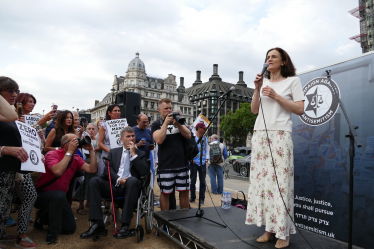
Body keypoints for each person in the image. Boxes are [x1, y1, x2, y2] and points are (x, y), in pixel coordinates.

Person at [246, 47, 304, 248]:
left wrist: (277, 95)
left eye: (273, 57)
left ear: (283, 61)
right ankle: (269, 229)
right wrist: (257, 88)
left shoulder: (293, 81)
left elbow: (300, 109)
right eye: (267, 57)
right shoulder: (264, 83)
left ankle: (284, 233)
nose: (269, 59)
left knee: (280, 185)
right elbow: (254, 110)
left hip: (280, 135)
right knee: (264, 186)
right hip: (260, 135)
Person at [80, 126, 148, 240]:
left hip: (131, 188)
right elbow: (108, 170)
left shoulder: (140, 154)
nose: (131, 139)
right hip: (114, 185)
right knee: (94, 181)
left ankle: (125, 225)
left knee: (131, 180)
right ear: (121, 139)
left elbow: (144, 172)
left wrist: (133, 155)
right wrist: (118, 179)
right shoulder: (114, 152)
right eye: (128, 136)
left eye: (133, 136)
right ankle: (97, 224)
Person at [34, 133, 97, 244]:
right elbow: (57, 171)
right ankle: (52, 232)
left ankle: (42, 217)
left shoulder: (76, 158)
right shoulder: (52, 154)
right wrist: (69, 153)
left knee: (69, 229)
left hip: (60, 198)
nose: (77, 142)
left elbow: (92, 169)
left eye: (78, 140)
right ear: (64, 144)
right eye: (74, 141)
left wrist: (91, 151)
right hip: (42, 196)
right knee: (59, 195)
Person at [0, 77, 31, 249]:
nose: (14, 95)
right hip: (2, 166)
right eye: (9, 91)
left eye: (16, 91)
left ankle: (1, 232)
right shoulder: (11, 113)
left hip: (9, 168)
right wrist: (5, 149)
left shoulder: (10, 115)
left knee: (4, 204)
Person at [151, 98, 191, 211]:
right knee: (165, 193)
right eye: (166, 108)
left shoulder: (179, 122)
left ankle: (184, 217)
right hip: (165, 165)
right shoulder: (156, 124)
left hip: (182, 163)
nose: (169, 111)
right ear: (159, 110)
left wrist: (178, 124)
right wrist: (166, 123)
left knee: (184, 192)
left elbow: (188, 135)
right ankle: (166, 221)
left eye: (170, 108)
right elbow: (159, 140)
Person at [74, 123, 100, 214]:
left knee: (94, 184)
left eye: (93, 129)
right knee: (83, 184)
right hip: (84, 164)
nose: (91, 130)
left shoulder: (98, 141)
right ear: (87, 130)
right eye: (89, 129)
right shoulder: (84, 139)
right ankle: (81, 206)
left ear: (96, 130)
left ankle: (90, 203)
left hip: (96, 165)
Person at [98, 104, 121, 176]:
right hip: (107, 155)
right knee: (105, 176)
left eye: (119, 111)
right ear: (109, 113)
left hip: (120, 154)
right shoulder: (104, 126)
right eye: (115, 111)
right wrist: (111, 151)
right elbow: (100, 143)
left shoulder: (123, 124)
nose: (117, 112)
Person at [189, 122, 209, 206]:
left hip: (202, 162)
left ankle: (202, 199)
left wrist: (207, 158)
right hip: (194, 163)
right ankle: (192, 197)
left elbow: (207, 149)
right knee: (192, 181)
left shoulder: (205, 138)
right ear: (199, 128)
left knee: (203, 182)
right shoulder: (192, 138)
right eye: (203, 128)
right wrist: (190, 159)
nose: (205, 130)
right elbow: (189, 149)